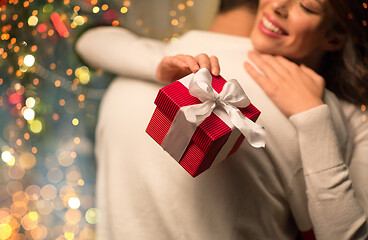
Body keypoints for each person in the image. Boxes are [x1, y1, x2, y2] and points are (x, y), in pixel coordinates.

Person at [75, 0, 368, 239]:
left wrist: (312, 114)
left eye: (307, 6)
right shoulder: (160, 61)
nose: (278, 5)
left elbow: (88, 38)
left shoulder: (125, 77)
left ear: (334, 35)